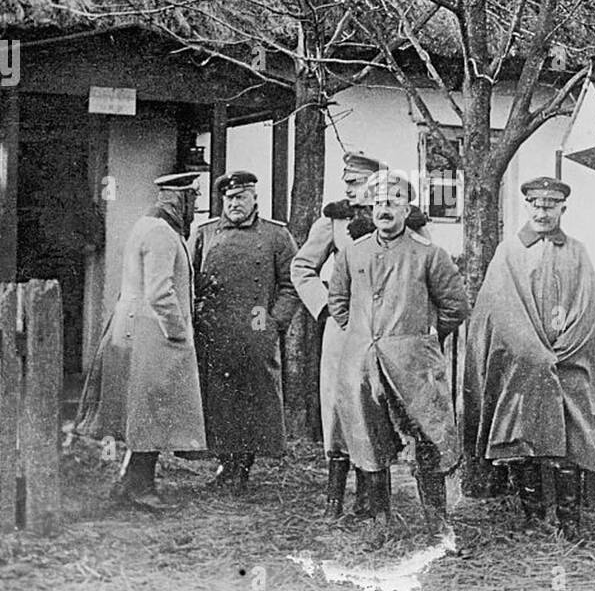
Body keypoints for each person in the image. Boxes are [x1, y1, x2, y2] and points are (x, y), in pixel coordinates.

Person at [328, 170, 469, 542]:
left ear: (408, 208)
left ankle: (438, 525)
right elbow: (338, 303)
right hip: (363, 365)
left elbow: (455, 306)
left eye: (392, 201)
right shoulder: (352, 253)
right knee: (368, 440)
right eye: (377, 203)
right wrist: (362, 336)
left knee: (427, 441)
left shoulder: (428, 255)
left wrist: (423, 337)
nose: (384, 209)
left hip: (413, 367)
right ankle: (380, 522)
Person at [466, 177, 595, 542]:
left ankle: (569, 521)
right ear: (527, 205)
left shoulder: (577, 252)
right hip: (525, 364)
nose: (542, 212)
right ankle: (533, 519)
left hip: (567, 361)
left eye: (551, 205)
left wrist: (564, 347)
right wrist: (532, 350)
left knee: (571, 440)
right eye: (536, 204)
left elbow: (590, 308)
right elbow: (501, 307)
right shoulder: (509, 252)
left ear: (563, 208)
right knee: (525, 441)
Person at [291, 152, 430, 520]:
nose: (350, 191)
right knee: (340, 412)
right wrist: (327, 309)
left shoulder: (407, 224)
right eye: (348, 183)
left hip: (391, 336)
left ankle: (375, 502)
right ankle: (335, 500)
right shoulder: (335, 222)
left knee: (379, 413)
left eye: (357, 184)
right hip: (345, 333)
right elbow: (302, 267)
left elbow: (426, 272)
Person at [76, 171, 207, 509]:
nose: (194, 207)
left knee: (144, 411)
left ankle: (128, 482)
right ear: (181, 199)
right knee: (151, 411)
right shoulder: (162, 234)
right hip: (152, 332)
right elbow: (160, 292)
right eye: (193, 199)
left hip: (137, 326)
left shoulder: (144, 226)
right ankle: (140, 489)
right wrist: (180, 332)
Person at [193, 170, 301, 494]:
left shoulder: (276, 236)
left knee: (252, 399)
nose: (234, 204)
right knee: (220, 402)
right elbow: (189, 279)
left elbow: (290, 285)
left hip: (254, 322)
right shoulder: (205, 233)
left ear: (255, 197)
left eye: (241, 197)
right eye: (229, 198)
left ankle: (243, 466)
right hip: (215, 330)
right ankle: (225, 464)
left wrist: (272, 323)